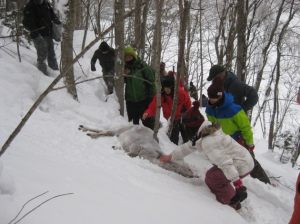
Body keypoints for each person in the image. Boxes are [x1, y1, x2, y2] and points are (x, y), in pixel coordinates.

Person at [160, 120, 254, 210]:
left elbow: (225, 163)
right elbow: (188, 147)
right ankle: (230, 194)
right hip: (243, 159)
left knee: (212, 178)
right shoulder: (208, 133)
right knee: (213, 173)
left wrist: (238, 185)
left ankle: (232, 202)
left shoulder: (209, 142)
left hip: (242, 165)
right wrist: (170, 156)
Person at [205, 80, 271, 184]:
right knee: (225, 161)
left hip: (239, 140)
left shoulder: (234, 109)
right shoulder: (209, 109)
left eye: (214, 98)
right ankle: (229, 178)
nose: (212, 100)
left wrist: (249, 143)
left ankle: (265, 183)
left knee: (251, 161)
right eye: (210, 98)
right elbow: (212, 123)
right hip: (223, 140)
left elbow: (245, 127)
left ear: (220, 96)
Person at [142, 76, 191, 145]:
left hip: (182, 117)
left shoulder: (180, 93)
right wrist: (147, 113)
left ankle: (188, 148)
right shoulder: (161, 95)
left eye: (169, 87)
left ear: (172, 87)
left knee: (186, 134)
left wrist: (187, 114)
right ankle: (174, 149)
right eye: (165, 87)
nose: (167, 90)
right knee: (173, 139)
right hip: (171, 119)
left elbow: (188, 103)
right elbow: (153, 106)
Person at [23, 0, 61, 75]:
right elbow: (27, 23)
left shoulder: (46, 4)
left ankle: (55, 73)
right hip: (38, 35)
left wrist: (57, 21)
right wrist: (35, 32)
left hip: (48, 34)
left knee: (51, 54)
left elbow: (52, 15)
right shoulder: (30, 6)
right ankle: (42, 75)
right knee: (42, 55)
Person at [123, 46, 155, 129]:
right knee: (134, 124)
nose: (128, 59)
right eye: (126, 57)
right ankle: (137, 139)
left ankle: (153, 138)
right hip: (131, 100)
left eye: (130, 56)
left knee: (147, 121)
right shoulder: (125, 68)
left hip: (143, 99)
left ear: (134, 56)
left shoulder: (142, 66)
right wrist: (125, 75)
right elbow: (122, 81)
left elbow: (151, 80)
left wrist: (151, 97)